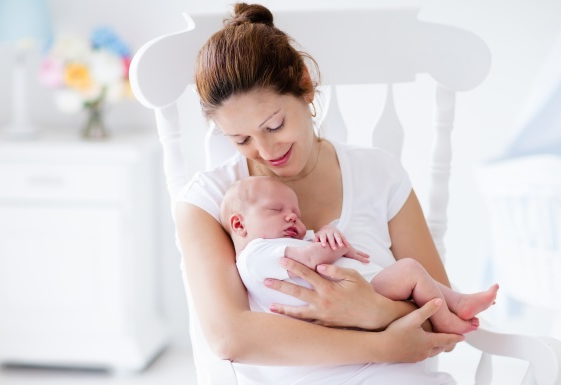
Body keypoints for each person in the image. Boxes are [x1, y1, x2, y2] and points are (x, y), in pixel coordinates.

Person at [177, 2, 466, 384]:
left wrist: (372, 310)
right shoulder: (208, 201)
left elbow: (440, 315)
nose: (266, 152)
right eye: (241, 139)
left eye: (274, 125)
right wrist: (381, 342)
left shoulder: (379, 175)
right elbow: (231, 337)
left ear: (306, 86)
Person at [222, 175, 499, 337]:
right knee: (411, 271)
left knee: (414, 276)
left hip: (362, 291)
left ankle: (458, 302)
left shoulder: (285, 241)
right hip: (359, 292)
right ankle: (446, 319)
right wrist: (335, 246)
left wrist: (328, 232)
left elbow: (317, 247)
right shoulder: (256, 254)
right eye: (276, 210)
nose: (292, 215)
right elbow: (309, 259)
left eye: (296, 212)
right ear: (239, 224)